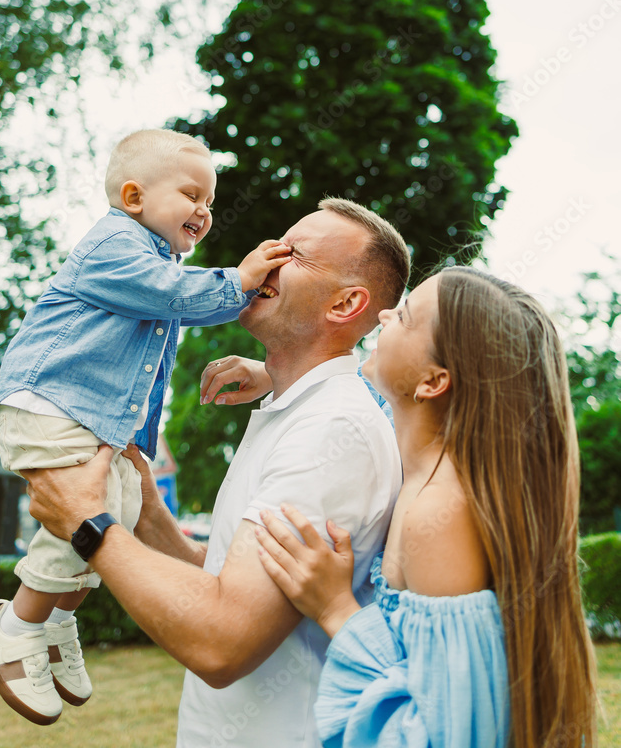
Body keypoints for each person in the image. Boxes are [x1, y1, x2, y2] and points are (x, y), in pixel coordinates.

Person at [22, 198, 411, 746]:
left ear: (347, 303)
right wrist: (151, 521)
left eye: (294, 255)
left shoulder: (330, 430)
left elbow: (223, 643)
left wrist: (88, 522)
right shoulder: (295, 410)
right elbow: (237, 582)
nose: (266, 258)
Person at [0, 128, 292, 726]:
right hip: (51, 400)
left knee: (116, 517)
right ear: (132, 196)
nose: (204, 209)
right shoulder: (115, 245)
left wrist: (244, 295)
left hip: (93, 418)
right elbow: (171, 293)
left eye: (210, 200)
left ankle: (56, 621)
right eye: (191, 194)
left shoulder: (160, 263)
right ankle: (15, 626)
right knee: (83, 508)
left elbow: (183, 301)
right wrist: (241, 277)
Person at [254, 268, 598, 748]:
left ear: (434, 381)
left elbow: (447, 733)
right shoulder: (423, 471)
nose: (384, 313)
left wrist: (337, 610)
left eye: (407, 315)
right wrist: (274, 376)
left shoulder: (438, 517)